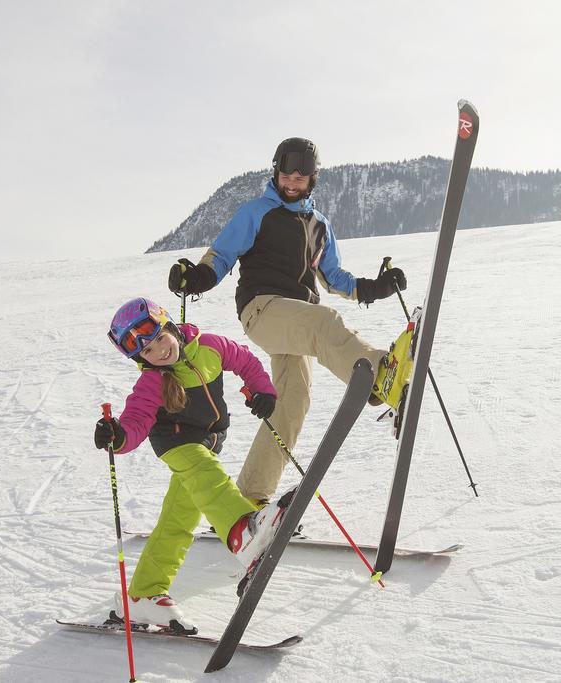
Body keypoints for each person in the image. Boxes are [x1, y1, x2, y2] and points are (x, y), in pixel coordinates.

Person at [167, 137, 413, 505]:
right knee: (324, 324)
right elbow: (221, 255)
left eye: (302, 175)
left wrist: (376, 287)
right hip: (263, 308)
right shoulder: (256, 212)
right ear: (276, 173)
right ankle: (381, 375)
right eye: (287, 174)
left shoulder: (320, 225)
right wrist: (198, 277)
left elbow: (334, 279)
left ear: (313, 178)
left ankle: (250, 499)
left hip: (298, 319)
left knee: (291, 402)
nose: (293, 181)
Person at [94, 296, 287, 634]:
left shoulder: (210, 347)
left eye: (159, 339)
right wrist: (118, 436)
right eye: (148, 351)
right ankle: (243, 531)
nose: (159, 351)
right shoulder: (153, 381)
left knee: (178, 520)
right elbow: (136, 420)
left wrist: (262, 391)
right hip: (176, 444)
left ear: (169, 325)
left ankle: (142, 595)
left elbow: (246, 362)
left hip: (210, 440)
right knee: (208, 479)